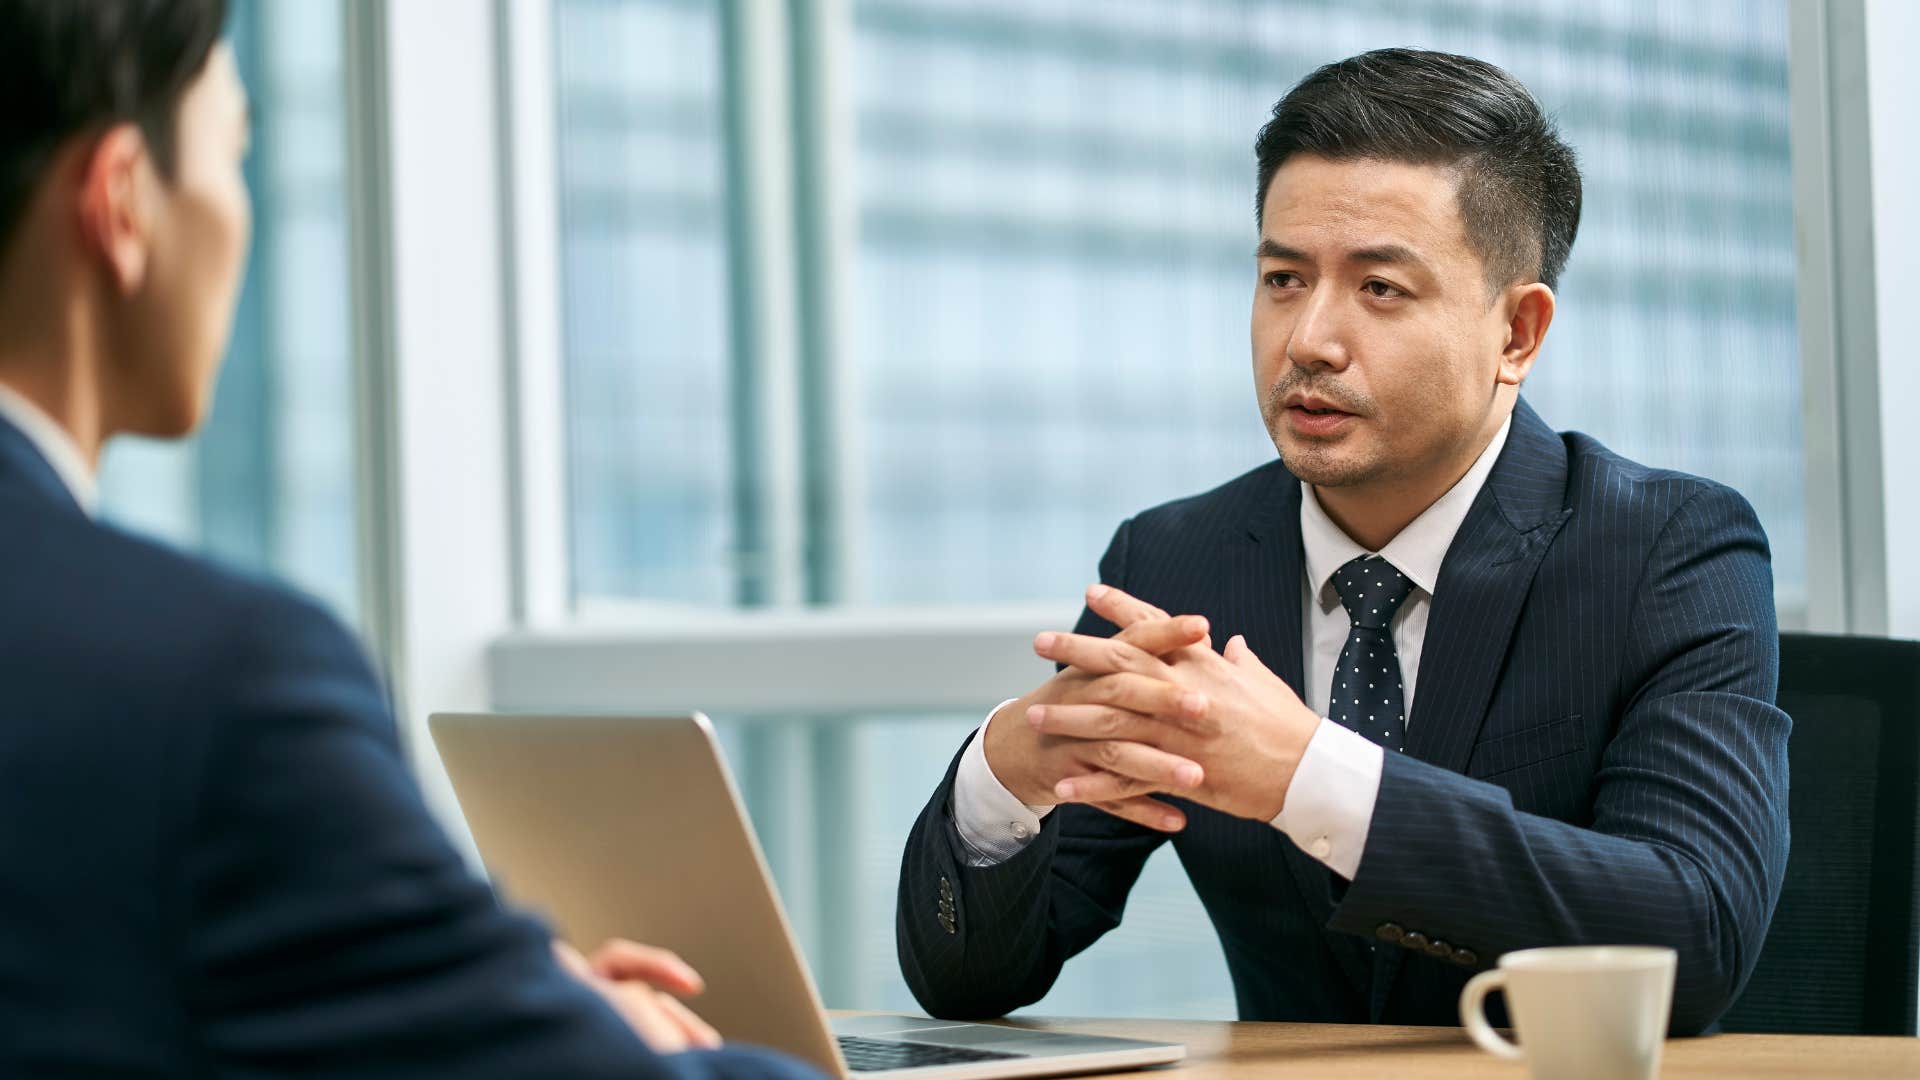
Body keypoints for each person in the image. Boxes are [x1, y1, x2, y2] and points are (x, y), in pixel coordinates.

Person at [0, 2, 824, 1076]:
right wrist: (566, 1032)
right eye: (233, 154)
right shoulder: (216, 690)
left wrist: (484, 994)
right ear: (121, 203)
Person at [896, 48, 1788, 1036]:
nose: (1309, 340)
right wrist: (1000, 778)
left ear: (1518, 334)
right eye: (1284, 278)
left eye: (1381, 290)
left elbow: (1695, 940)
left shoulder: (1668, 550)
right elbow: (973, 986)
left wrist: (1308, 775)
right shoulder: (1176, 562)